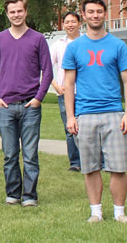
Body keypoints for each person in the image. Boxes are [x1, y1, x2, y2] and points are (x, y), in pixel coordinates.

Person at [62, 0, 127, 224]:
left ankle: (119, 213)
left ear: (105, 14)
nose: (95, 15)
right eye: (91, 12)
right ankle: (96, 213)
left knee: (118, 167)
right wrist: (71, 116)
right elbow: (69, 84)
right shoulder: (74, 47)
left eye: (99, 12)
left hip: (114, 113)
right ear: (84, 16)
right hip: (85, 114)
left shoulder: (117, 45)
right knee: (90, 167)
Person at [0, 0, 53, 208]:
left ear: (26, 12)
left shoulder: (38, 39)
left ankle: (30, 195)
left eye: (19, 11)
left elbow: (48, 71)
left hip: (29, 106)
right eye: (12, 12)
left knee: (31, 155)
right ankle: (13, 193)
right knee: (9, 154)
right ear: (7, 14)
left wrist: (38, 98)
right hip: (5, 106)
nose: (16, 15)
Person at [49, 11, 82, 172]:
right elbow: (46, 68)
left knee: (89, 128)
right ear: (63, 25)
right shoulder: (58, 44)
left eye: (73, 21)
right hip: (65, 93)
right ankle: (75, 162)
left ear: (79, 24)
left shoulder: (86, 41)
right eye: (67, 22)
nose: (70, 25)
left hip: (85, 93)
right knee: (70, 128)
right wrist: (56, 86)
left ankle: (96, 161)